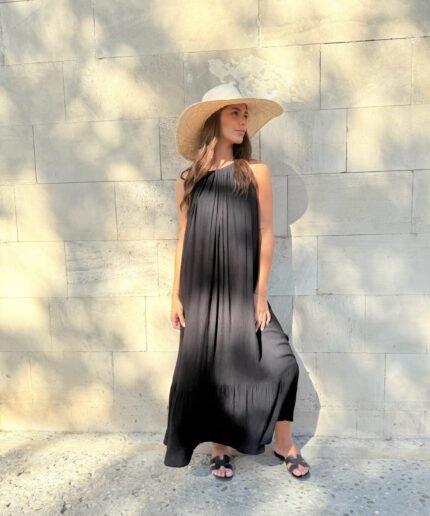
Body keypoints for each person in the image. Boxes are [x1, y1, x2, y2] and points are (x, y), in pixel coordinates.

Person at [163, 81, 311, 481]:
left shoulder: (255, 172)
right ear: (213, 120)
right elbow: (183, 238)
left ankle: (284, 442)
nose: (243, 120)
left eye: (245, 114)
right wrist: (175, 295)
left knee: (282, 362)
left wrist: (260, 294)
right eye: (235, 112)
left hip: (241, 288)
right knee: (213, 367)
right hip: (199, 289)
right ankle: (220, 447)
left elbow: (266, 232)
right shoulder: (187, 180)